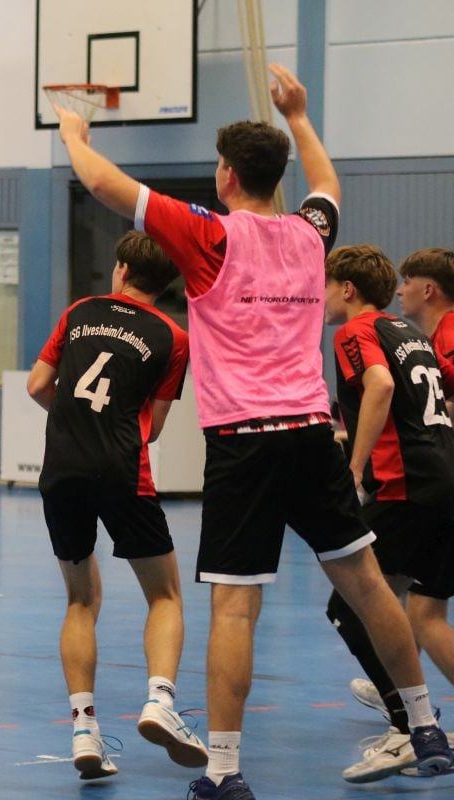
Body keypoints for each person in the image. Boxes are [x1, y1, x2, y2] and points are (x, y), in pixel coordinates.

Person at [50, 62, 452, 799]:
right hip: (312, 433)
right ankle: (426, 724)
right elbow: (327, 185)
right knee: (368, 585)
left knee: (236, 606)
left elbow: (107, 187)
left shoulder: (210, 235)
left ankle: (224, 772)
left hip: (244, 442)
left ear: (228, 174)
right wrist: (298, 115)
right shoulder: (309, 235)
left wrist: (74, 134)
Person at [27, 231, 202, 780]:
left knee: (81, 600)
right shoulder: (173, 337)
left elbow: (38, 385)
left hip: (61, 470)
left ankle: (84, 728)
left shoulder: (80, 312)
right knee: (165, 595)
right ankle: (160, 701)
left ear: (122, 269)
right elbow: (155, 428)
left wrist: (75, 422)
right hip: (123, 472)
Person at [324, 245, 454, 782]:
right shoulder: (413, 334)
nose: (320, 298)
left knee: (351, 607)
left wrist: (354, 467)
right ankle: (411, 712)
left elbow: (378, 385)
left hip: (406, 487)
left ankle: (408, 729)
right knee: (416, 610)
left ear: (347, 289)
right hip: (444, 480)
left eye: (324, 286)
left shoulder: (356, 332)